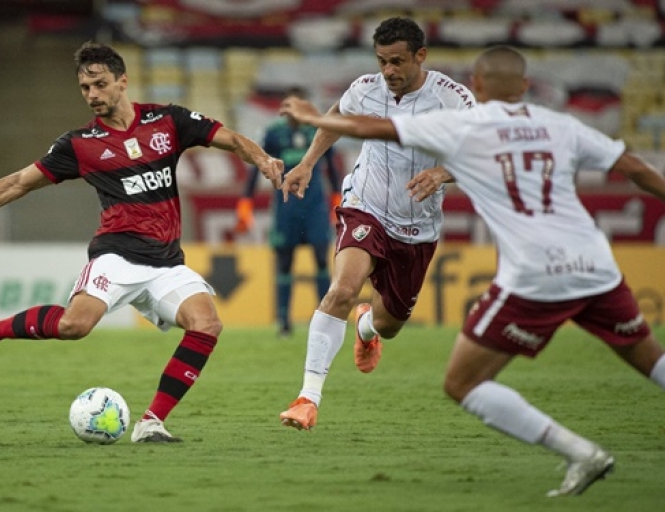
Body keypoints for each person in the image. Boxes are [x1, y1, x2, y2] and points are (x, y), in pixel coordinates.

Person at [280, 45, 665, 497]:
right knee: (651, 359)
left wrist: (313, 117)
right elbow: (636, 169)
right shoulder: (562, 127)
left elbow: (374, 127)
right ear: (526, 86)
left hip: (535, 275)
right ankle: (311, 393)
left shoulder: (466, 124)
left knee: (461, 382)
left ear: (476, 87)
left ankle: (582, 453)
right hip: (596, 265)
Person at [0, 42, 283, 443]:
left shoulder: (168, 121)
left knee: (207, 324)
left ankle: (150, 422)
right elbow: (18, 183)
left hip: (167, 262)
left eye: (100, 84)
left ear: (122, 82)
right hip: (117, 256)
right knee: (74, 326)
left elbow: (231, 140)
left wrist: (263, 159)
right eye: (85, 88)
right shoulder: (79, 144)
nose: (92, 95)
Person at [276, 17, 475, 431]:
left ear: (420, 56)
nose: (389, 71)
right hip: (365, 206)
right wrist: (308, 163)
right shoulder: (367, 89)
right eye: (382, 61)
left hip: (417, 226)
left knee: (390, 324)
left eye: (398, 61)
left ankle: (366, 328)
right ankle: (307, 398)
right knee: (342, 289)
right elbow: (336, 115)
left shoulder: (452, 99)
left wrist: (443, 174)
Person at [234, 86, 344, 338]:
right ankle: (284, 321)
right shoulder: (273, 134)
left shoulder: (318, 131)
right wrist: (245, 204)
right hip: (286, 208)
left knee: (320, 260)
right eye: (287, 105)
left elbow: (333, 170)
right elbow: (255, 168)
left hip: (315, 205)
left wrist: (338, 204)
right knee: (285, 262)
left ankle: (324, 319)